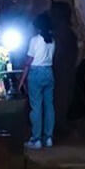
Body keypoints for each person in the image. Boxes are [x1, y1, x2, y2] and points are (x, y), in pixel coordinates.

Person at [18, 12, 56, 149]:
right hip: (49, 72)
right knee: (49, 106)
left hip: (36, 73)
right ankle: (49, 138)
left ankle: (36, 139)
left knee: (36, 107)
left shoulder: (34, 40)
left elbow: (28, 61)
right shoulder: (52, 40)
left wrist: (22, 80)